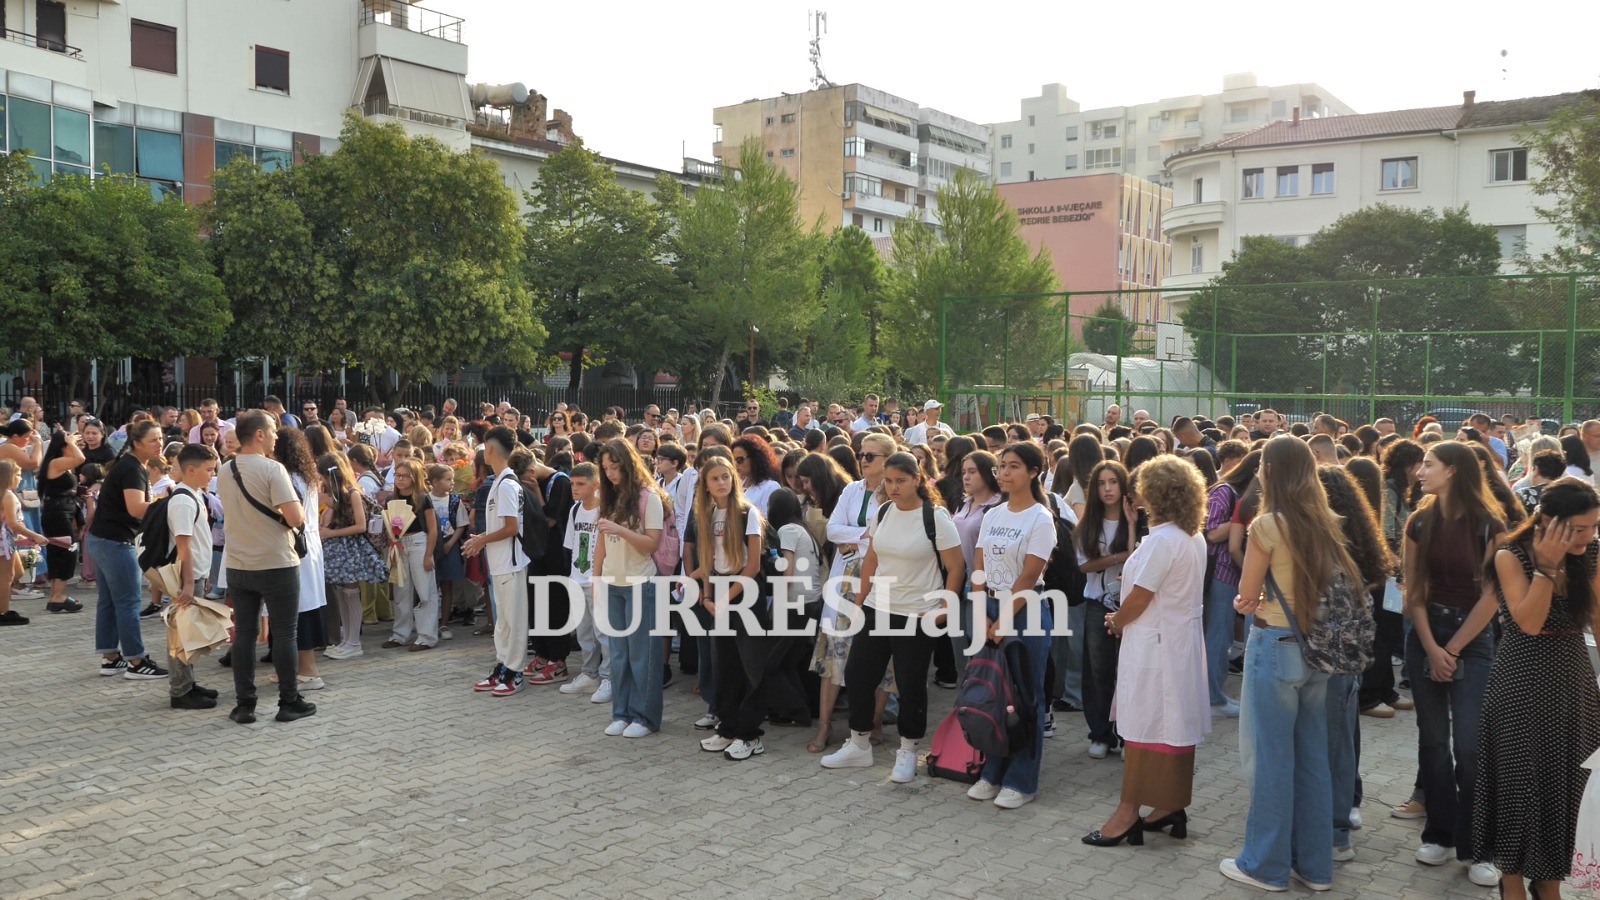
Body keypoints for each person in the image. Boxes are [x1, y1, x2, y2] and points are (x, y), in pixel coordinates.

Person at [1222, 437, 1360, 892]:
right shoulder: (1326, 522)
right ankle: (1315, 866)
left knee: (1271, 760)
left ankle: (1264, 865)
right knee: (1313, 758)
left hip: (1276, 642)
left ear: (1268, 469)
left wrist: (1252, 599)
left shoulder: (1267, 525)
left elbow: (1246, 598)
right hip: (1322, 649)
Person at [1477, 479, 1600, 900]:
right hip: (1520, 682)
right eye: (1579, 529)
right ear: (1547, 522)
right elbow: (1529, 622)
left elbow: (1599, 622)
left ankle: (1548, 877)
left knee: (1566, 781)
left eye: (1594, 527)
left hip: (1573, 683)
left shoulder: (1593, 555)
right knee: (1519, 780)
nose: (1589, 536)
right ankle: (1511, 875)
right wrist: (1547, 565)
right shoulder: (1510, 555)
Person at [1083, 455, 1211, 845]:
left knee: (1144, 726)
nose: (1134, 491)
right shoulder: (1190, 535)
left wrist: (1116, 620)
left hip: (1154, 643)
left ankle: (1127, 814)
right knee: (1173, 726)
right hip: (1177, 641)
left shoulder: (1163, 541)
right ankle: (1170, 805)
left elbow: (1140, 597)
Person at [820, 452, 963, 783]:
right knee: (858, 675)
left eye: (901, 480)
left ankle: (909, 749)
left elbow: (956, 567)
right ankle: (858, 744)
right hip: (876, 607)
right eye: (889, 481)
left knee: (911, 684)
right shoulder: (882, 512)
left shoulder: (936, 517)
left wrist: (945, 608)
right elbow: (871, 558)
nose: (894, 487)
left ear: (917, 479)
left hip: (917, 614)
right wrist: (859, 600)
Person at [1405, 441, 1506, 884]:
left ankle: (1479, 845)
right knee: (1432, 743)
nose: (1420, 471)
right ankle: (1441, 834)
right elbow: (1413, 591)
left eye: (1429, 465)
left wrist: (1454, 649)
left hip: (1474, 639)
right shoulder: (1420, 520)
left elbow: (1492, 595)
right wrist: (1431, 647)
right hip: (1426, 634)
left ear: (1453, 471)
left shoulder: (1489, 524)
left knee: (1469, 744)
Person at [964, 442, 1057, 809]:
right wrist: (980, 609)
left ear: (1034, 472)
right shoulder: (993, 515)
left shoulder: (1040, 519)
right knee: (992, 691)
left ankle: (1022, 780)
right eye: (1001, 466)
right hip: (989, 604)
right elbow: (979, 566)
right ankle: (992, 771)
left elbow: (1029, 578)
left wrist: (1002, 619)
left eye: (1013, 466)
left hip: (1026, 610)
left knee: (1024, 697)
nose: (1003, 473)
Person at [218, 411, 314, 724]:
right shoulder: (273, 469)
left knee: (244, 635)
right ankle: (289, 701)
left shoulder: (225, 468)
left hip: (238, 563)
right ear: (259, 434)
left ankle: (245, 704)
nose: (276, 436)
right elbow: (295, 517)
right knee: (285, 633)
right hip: (275, 561)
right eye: (272, 430)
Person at [686, 454, 770, 761]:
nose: (722, 482)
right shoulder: (705, 515)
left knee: (751, 666)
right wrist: (708, 597)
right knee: (724, 664)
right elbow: (706, 561)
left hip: (745, 592)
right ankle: (728, 727)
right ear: (705, 486)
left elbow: (753, 567)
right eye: (715, 478)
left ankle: (750, 735)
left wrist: (724, 598)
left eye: (726, 476)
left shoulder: (748, 512)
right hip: (719, 591)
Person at [592, 438, 667, 738]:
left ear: (628, 463)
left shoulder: (650, 498)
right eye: (606, 468)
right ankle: (621, 713)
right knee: (619, 654)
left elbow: (653, 543)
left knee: (641, 655)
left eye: (615, 466)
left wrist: (620, 529)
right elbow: (601, 542)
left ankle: (645, 717)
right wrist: (596, 579)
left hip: (641, 583)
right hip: (612, 583)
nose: (610, 473)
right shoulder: (608, 497)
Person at [88, 421, 166, 678]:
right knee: (128, 603)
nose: (159, 443)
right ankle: (136, 661)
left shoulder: (133, 466)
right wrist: (167, 503)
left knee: (110, 601)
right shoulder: (132, 468)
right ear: (137, 442)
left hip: (102, 539)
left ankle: (110, 657)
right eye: (153, 439)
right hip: (115, 542)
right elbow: (136, 508)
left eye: (160, 438)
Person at [463, 426, 530, 698]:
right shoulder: (498, 482)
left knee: (513, 622)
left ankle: (515, 672)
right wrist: (482, 538)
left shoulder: (507, 485)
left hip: (511, 565)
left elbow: (512, 528)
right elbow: (501, 526)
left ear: (490, 449)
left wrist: (482, 540)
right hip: (500, 563)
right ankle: (502, 666)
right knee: (503, 621)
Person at [1078, 459, 1137, 760]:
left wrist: (1129, 527)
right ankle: (1100, 733)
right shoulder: (1089, 521)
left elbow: (1137, 558)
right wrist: (1120, 557)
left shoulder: (1138, 519)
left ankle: (1128, 735)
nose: (1108, 488)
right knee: (1098, 671)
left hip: (1133, 605)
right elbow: (1084, 565)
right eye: (1101, 483)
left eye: (1113, 481)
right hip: (1097, 603)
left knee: (1127, 670)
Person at [165, 445, 223, 710]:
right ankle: (180, 690)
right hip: (186, 577)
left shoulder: (194, 495)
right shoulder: (183, 501)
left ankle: (187, 682)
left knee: (189, 635)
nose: (212, 475)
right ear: (191, 469)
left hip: (195, 573)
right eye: (209, 470)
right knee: (182, 636)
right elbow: (184, 545)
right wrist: (189, 582)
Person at [318, 451, 385, 660]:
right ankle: (346, 638)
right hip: (339, 551)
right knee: (342, 593)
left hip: (351, 550)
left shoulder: (353, 493)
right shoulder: (335, 495)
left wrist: (331, 533)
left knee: (351, 592)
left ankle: (354, 641)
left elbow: (360, 525)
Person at [275, 427, 326, 691]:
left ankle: (308, 671)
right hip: (309, 547)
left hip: (298, 549)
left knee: (300, 609)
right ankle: (295, 668)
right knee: (299, 608)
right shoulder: (305, 477)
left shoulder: (290, 479)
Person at [557, 462, 610, 703]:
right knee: (584, 631)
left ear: (596, 484)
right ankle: (590, 674)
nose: (574, 489)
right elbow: (572, 543)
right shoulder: (575, 510)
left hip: (598, 579)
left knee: (603, 631)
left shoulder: (605, 511)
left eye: (581, 484)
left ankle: (609, 677)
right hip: (578, 576)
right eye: (572, 484)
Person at [380, 459, 439, 653]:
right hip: (400, 544)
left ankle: (426, 636)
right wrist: (393, 548)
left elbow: (432, 529)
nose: (400, 479)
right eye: (398, 475)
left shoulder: (423, 498)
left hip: (419, 542)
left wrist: (429, 554)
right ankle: (400, 634)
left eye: (405, 476)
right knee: (401, 590)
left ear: (414, 477)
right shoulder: (391, 499)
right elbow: (392, 528)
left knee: (424, 590)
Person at [39, 428, 85, 613]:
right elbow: (81, 458)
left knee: (60, 551)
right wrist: (71, 441)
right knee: (66, 551)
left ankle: (56, 595)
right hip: (57, 513)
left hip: (62, 511)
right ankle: (58, 595)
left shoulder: (59, 465)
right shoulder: (55, 462)